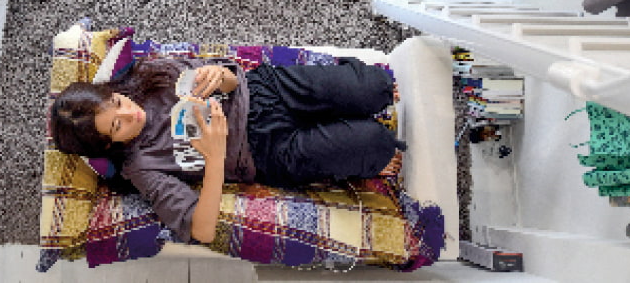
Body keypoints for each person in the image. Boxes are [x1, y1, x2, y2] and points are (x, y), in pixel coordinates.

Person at [49, 56, 405, 244]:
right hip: (266, 153)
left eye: (118, 101)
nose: (131, 112)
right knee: (377, 145)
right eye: (117, 124)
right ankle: (360, 135)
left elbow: (231, 78)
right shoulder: (141, 167)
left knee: (376, 87)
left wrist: (222, 75)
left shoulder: (148, 76)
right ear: (109, 144)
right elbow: (200, 230)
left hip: (266, 91)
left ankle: (352, 107)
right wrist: (214, 157)